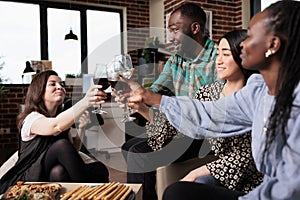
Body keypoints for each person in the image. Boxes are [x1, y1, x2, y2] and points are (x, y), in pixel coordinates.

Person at [126, 1, 300, 199]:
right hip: (215, 146)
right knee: (171, 185)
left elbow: (289, 187)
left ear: (273, 45)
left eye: (251, 35)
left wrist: (199, 172)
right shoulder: (257, 90)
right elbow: (207, 113)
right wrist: (151, 97)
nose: (242, 43)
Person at [121, 3, 219, 200]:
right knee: (128, 146)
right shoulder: (176, 60)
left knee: (139, 154)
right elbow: (156, 90)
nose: (171, 37)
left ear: (195, 28)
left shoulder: (219, 58)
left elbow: (216, 109)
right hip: (180, 129)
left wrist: (150, 98)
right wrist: (135, 96)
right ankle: (149, 191)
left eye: (175, 30)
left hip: (205, 133)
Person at [180, 29, 263, 193]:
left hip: (255, 176)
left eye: (225, 54)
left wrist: (196, 172)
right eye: (217, 54)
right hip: (221, 167)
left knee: (198, 183)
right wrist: (143, 107)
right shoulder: (207, 93)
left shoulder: (259, 95)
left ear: (244, 57)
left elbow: (250, 156)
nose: (218, 61)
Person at [0, 70, 107, 194]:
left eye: (61, 84)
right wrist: (86, 101)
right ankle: (91, 193)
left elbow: (72, 152)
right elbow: (56, 126)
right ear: (39, 91)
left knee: (59, 172)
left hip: (49, 172)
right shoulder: (31, 119)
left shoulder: (60, 117)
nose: (59, 87)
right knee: (62, 146)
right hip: (28, 176)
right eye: (52, 84)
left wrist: (81, 129)